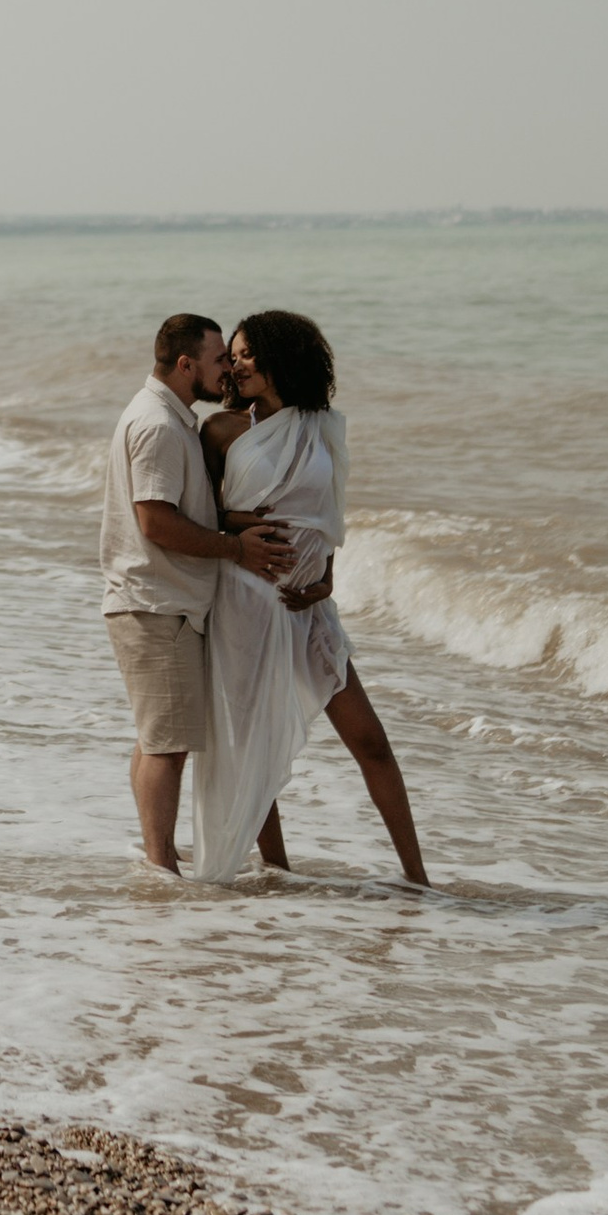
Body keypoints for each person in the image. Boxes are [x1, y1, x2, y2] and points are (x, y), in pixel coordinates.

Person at [188, 310, 430, 889]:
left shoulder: (322, 425)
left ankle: (419, 879)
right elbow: (201, 515)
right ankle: (277, 872)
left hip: (309, 603)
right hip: (246, 602)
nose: (236, 364)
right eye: (233, 355)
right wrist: (238, 522)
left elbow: (328, 513)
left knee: (370, 739)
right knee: (255, 745)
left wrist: (329, 578)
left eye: (247, 354)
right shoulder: (222, 431)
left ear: (281, 358)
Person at [102, 314, 297, 875]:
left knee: (158, 738)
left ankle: (156, 856)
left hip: (157, 600)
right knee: (168, 745)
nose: (228, 370)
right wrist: (237, 550)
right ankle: (162, 869)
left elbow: (184, 510)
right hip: (157, 603)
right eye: (219, 360)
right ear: (186, 365)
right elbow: (156, 522)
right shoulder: (160, 425)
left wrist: (235, 523)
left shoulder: (170, 418)